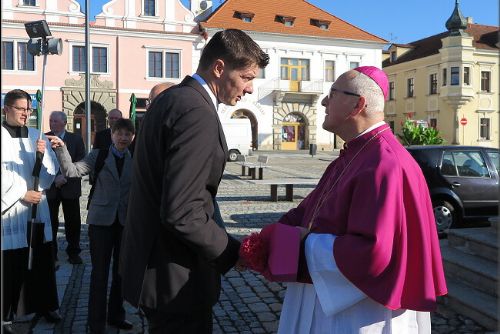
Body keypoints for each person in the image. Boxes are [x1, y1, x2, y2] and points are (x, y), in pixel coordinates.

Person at [274, 67, 447, 333]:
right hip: (329, 300)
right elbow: (309, 212)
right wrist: (268, 241)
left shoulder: (384, 163)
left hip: (360, 314)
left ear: (358, 104)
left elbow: (374, 253)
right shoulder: (355, 153)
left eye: (332, 94)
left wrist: (304, 242)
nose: (324, 101)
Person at [120, 29, 269, 333]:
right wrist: (233, 251)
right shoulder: (195, 110)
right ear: (219, 68)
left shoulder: (171, 99)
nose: (250, 89)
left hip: (157, 272)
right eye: (246, 77)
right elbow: (182, 211)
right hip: (175, 278)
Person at [47, 118, 135, 334]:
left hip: (125, 222)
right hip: (101, 222)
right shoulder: (99, 155)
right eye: (119, 133)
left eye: (128, 134)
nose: (123, 138)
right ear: (112, 135)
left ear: (132, 137)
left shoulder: (138, 158)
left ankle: (116, 315)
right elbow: (71, 171)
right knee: (100, 273)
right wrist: (62, 150)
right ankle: (96, 323)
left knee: (121, 272)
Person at [1, 89, 61, 333]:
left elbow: (48, 178)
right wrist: (20, 193)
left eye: (28, 109)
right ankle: (6, 314)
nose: (26, 113)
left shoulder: (38, 136)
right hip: (10, 211)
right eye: (20, 109)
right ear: (6, 109)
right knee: (10, 262)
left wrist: (43, 155)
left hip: (37, 207)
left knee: (41, 258)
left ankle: (46, 304)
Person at [45, 111, 85, 265]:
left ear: (64, 123)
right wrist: (54, 178)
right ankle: (51, 253)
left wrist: (65, 177)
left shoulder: (75, 139)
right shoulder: (44, 137)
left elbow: (80, 162)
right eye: (50, 120)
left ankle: (74, 252)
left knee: (73, 222)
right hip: (51, 186)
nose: (52, 123)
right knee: (51, 222)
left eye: (55, 121)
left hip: (70, 187)